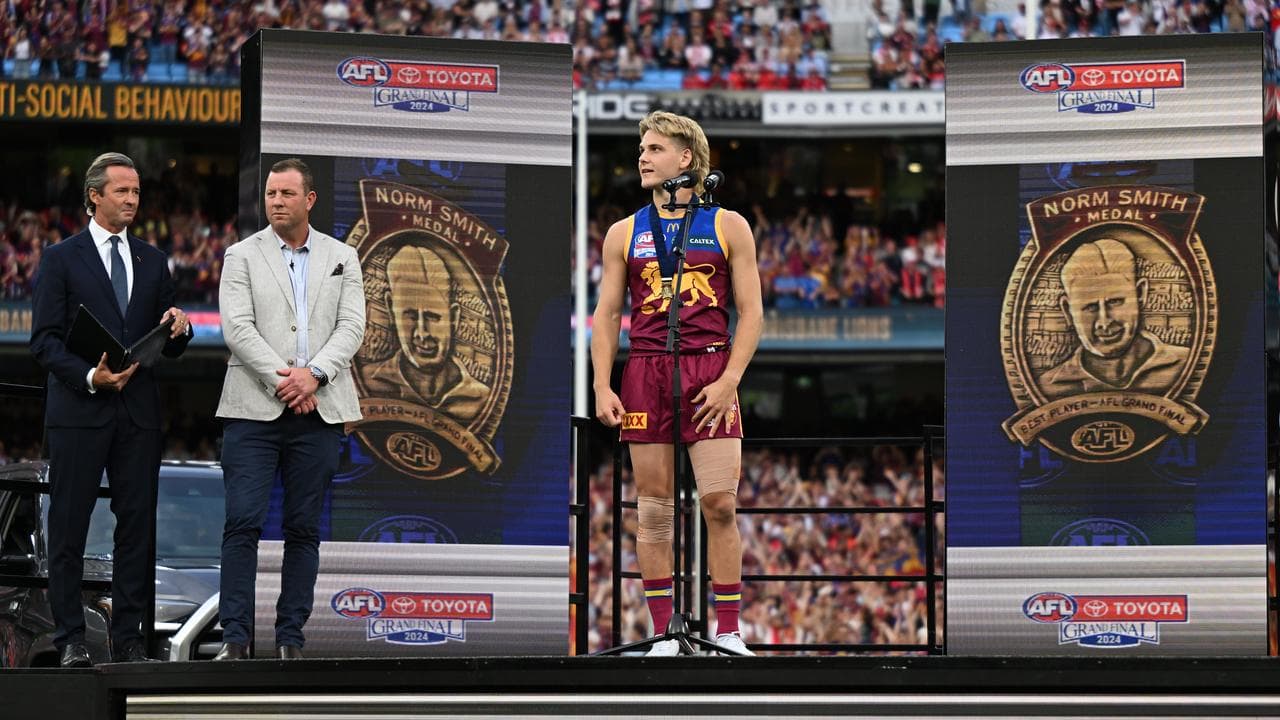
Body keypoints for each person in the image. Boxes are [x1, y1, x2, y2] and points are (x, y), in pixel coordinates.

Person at [591, 111, 763, 656]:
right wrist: (601, 384)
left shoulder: (729, 225)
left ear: (686, 159)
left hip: (710, 367)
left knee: (719, 504)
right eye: (642, 148)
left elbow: (752, 312)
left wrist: (731, 379)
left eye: (655, 147)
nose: (643, 156)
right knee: (655, 509)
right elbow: (606, 314)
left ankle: (730, 631)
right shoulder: (623, 232)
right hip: (645, 367)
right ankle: (666, 630)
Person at [29, 152, 192, 667]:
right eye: (121, 191)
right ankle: (71, 641)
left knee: (137, 531)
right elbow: (44, 342)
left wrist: (179, 329)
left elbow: (167, 342)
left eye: (136, 192)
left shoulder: (152, 259)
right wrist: (89, 376)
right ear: (94, 195)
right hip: (79, 410)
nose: (131, 199)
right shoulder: (60, 259)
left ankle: (127, 641)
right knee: (69, 529)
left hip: (138, 417)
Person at [213, 158, 366, 660]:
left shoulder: (343, 256)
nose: (275, 202)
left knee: (304, 529)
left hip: (318, 410)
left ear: (309, 200)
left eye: (285, 194)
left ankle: (290, 640)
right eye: (271, 194)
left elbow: (352, 327)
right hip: (253, 410)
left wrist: (314, 375)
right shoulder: (240, 255)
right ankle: (235, 639)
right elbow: (237, 329)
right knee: (242, 524)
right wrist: (286, 380)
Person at [1040, 238, 1189, 397]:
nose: (1104, 322)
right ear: (1068, 311)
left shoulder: (1185, 364)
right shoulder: (1048, 386)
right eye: (1090, 307)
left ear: (1140, 294)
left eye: (1115, 302)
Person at [361, 243, 488, 419]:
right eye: (411, 316)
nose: (421, 333)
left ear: (454, 318)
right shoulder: (369, 383)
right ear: (391, 310)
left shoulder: (481, 399)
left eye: (433, 317)